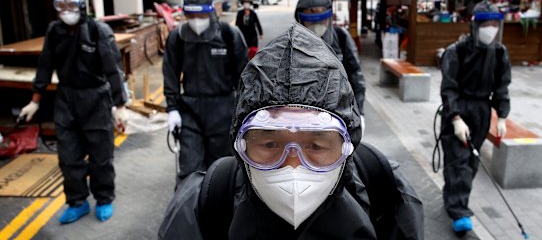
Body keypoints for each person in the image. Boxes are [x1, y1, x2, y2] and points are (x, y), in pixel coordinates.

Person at [158, 23, 423, 239]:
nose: (293, 167)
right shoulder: (205, 204)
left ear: (347, 146)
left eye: (316, 146)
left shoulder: (384, 189)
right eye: (271, 144)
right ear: (240, 146)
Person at [19, 0, 129, 224]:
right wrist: (34, 101)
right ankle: (77, 202)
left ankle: (103, 199)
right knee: (69, 157)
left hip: (96, 99)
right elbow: (45, 66)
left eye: (71, 5)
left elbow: (113, 70)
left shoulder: (98, 31)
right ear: (56, 8)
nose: (67, 11)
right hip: (67, 100)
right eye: (62, 6)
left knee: (101, 157)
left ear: (81, 5)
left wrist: (120, 106)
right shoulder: (54, 32)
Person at [439, 0, 511, 233]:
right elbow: (448, 88)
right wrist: (456, 118)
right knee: (458, 162)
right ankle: (460, 212)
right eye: (485, 24)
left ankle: (453, 195)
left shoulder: (499, 53)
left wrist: (502, 115)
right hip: (459, 109)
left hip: (482, 111)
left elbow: (502, 85)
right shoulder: (456, 51)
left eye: (494, 24)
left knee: (471, 161)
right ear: (475, 25)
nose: (490, 29)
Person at [163, 0, 248, 180]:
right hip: (190, 110)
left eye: (201, 14)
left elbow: (244, 76)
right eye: (191, 14)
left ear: (210, 11)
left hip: (223, 108)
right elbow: (170, 73)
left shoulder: (228, 34)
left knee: (222, 168)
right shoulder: (178, 38)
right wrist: (172, 109)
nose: (196, 19)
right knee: (190, 168)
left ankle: (221, 208)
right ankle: (189, 208)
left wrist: (245, 110)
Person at [294, 0, 366, 121]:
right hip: (304, 115)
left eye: (321, 14)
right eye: (311, 13)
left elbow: (356, 75)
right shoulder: (292, 42)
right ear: (300, 16)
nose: (317, 22)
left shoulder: (341, 37)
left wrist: (359, 112)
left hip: (339, 114)